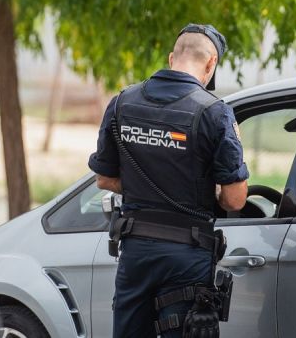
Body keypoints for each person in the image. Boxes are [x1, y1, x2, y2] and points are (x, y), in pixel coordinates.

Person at [88, 24, 249, 338]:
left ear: (172, 58)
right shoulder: (215, 113)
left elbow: (104, 178)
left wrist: (145, 186)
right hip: (187, 255)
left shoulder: (122, 103)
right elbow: (235, 200)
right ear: (211, 64)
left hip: (135, 252)